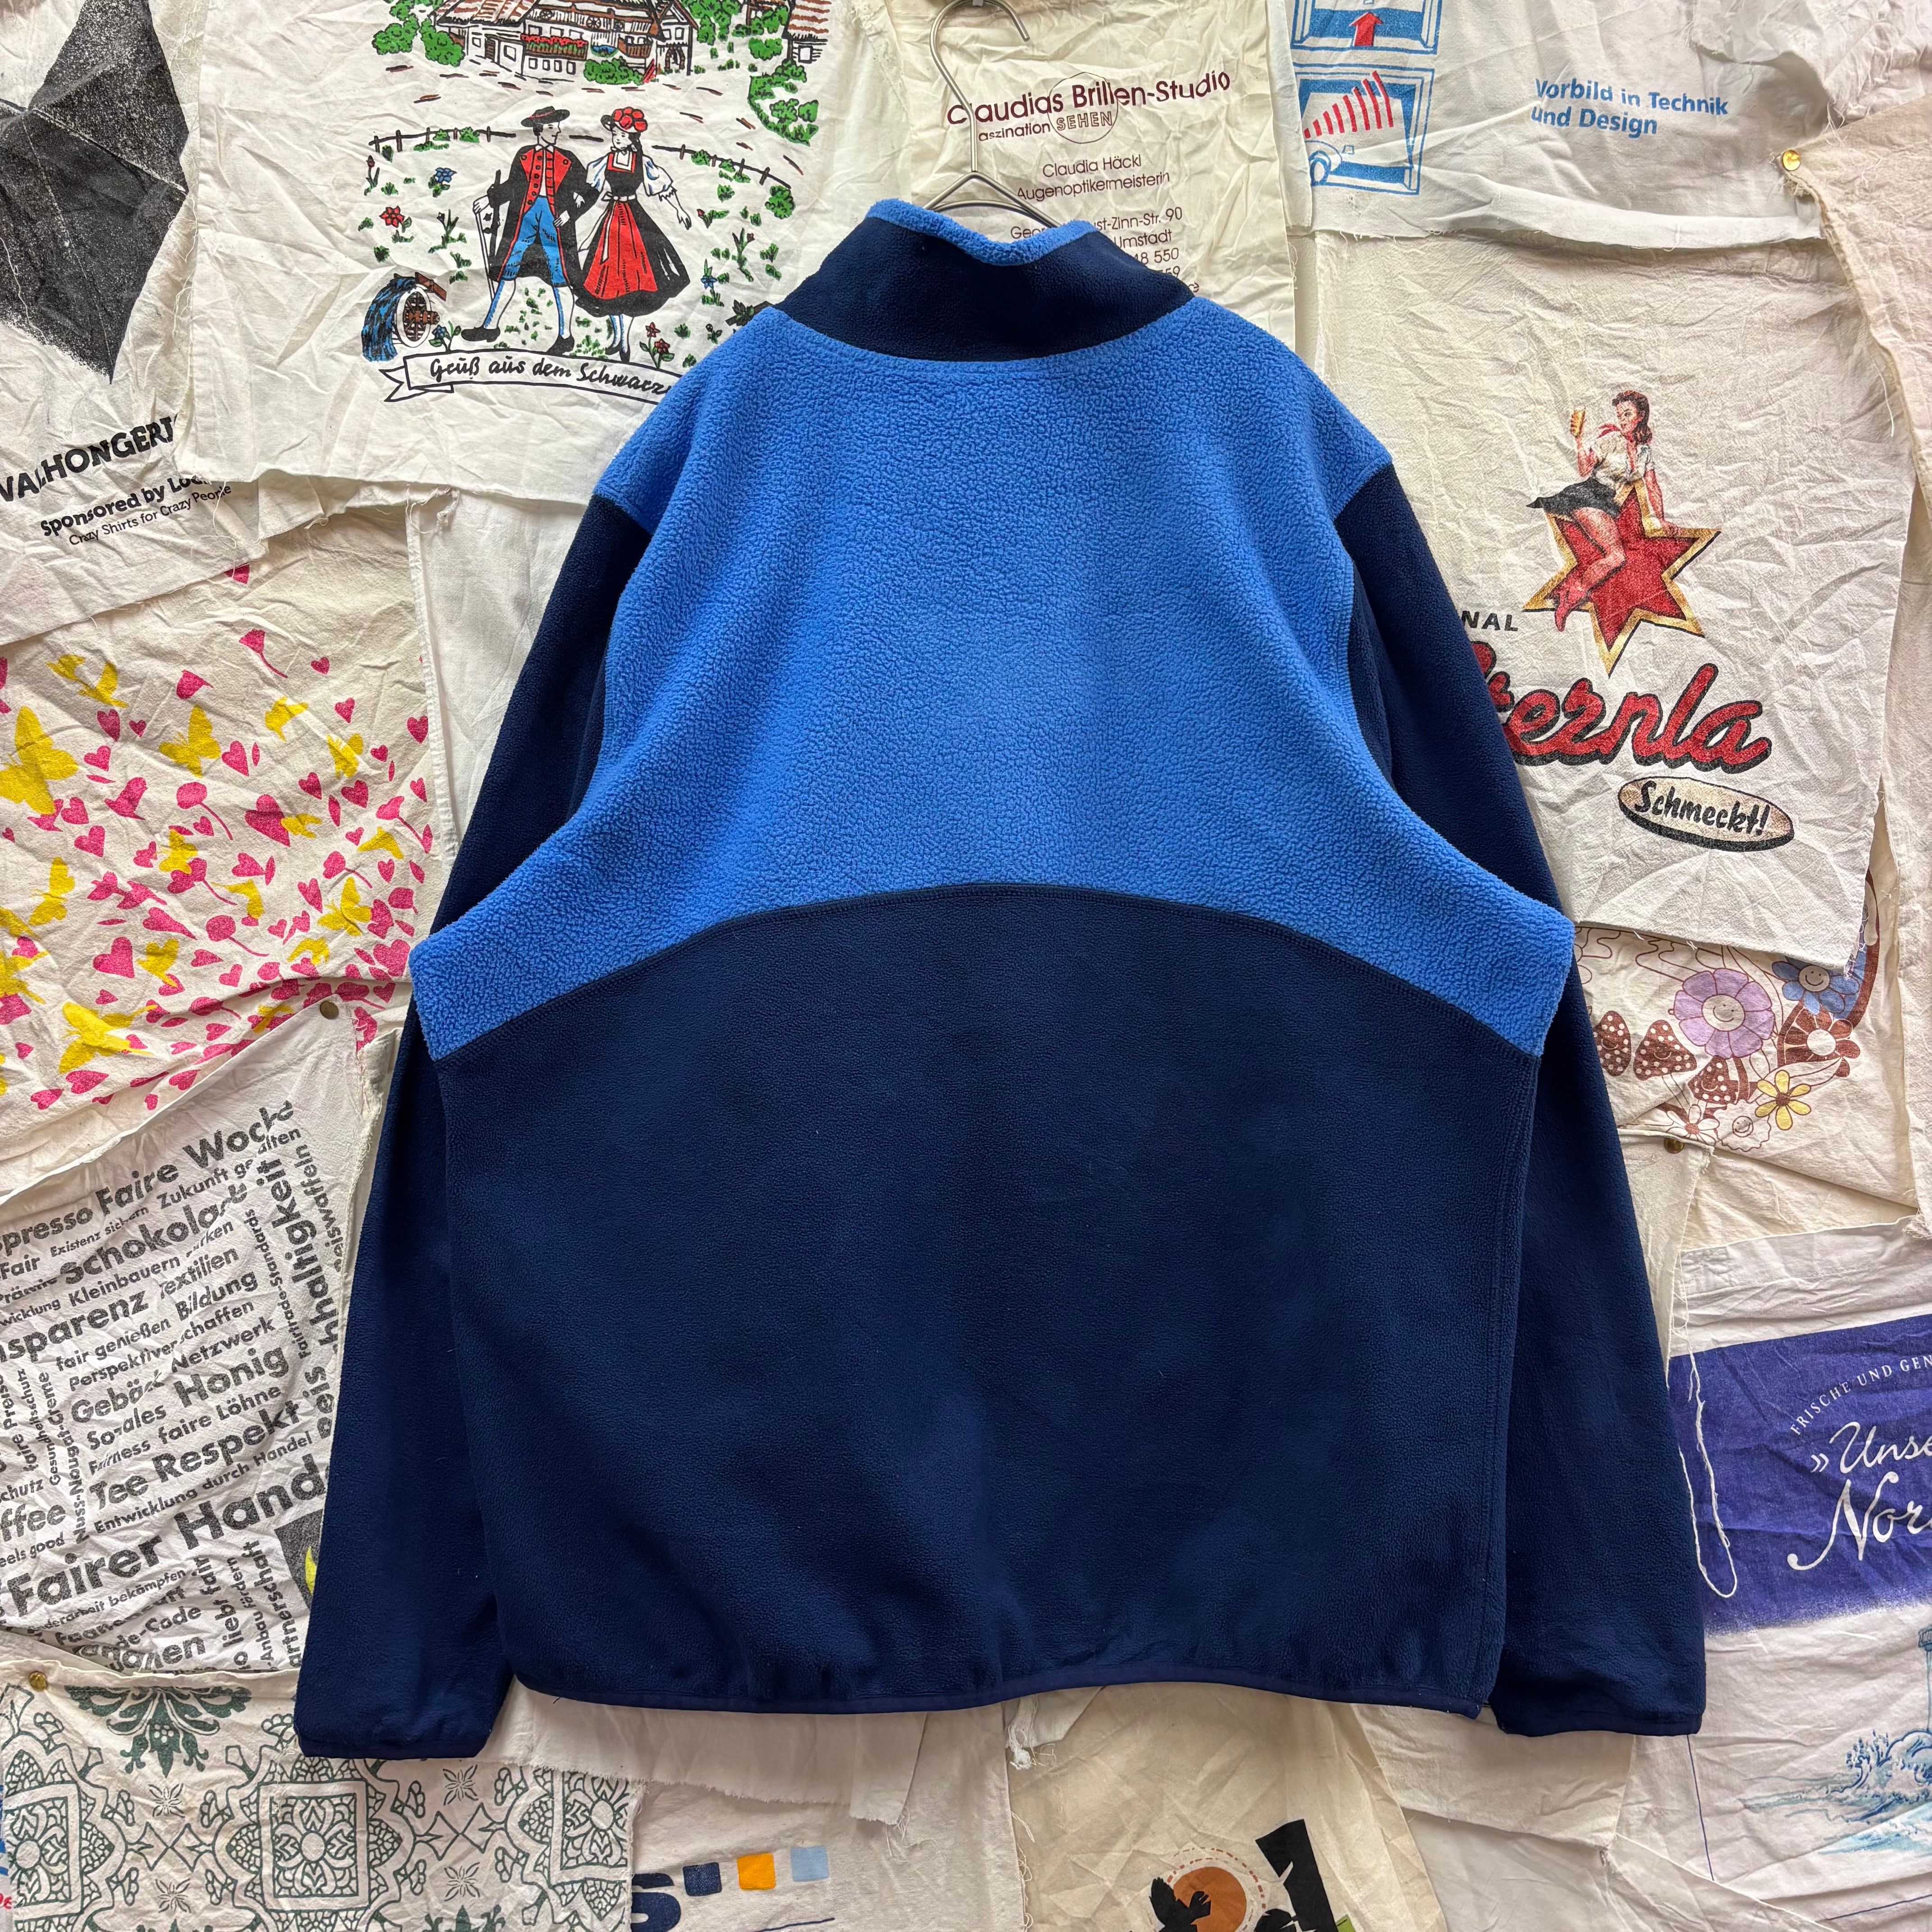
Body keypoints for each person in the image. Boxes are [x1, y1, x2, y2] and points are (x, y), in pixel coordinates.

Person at [1529, 390, 1682, 629]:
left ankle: (1570, 594)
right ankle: (1571, 597)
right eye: (1620, 415)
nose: (1623, 420)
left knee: (1618, 557)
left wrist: (1661, 520)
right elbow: (1584, 469)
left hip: (1607, 502)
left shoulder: (1644, 452)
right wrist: (1579, 439)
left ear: (1641, 416)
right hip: (1588, 495)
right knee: (1616, 556)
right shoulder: (1611, 440)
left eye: (1627, 414)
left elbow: (1652, 486)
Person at [463, 106, 595, 356]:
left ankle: (565, 337)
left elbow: (591, 191)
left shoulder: (568, 159)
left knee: (560, 276)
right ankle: (490, 327)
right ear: (539, 130)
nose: (557, 131)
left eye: (558, 127)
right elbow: (513, 186)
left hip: (555, 222)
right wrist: (490, 199)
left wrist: (571, 214)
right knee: (507, 271)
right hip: (524, 218)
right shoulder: (524, 155)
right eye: (551, 127)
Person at [573, 109, 693, 362]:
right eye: (615, 134)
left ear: (632, 138)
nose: (617, 139)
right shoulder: (605, 161)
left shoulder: (642, 163)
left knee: (633, 281)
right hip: (612, 222)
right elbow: (590, 187)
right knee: (608, 281)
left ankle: (625, 339)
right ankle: (617, 337)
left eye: (622, 135)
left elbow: (662, 188)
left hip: (634, 221)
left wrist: (680, 210)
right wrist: (579, 198)